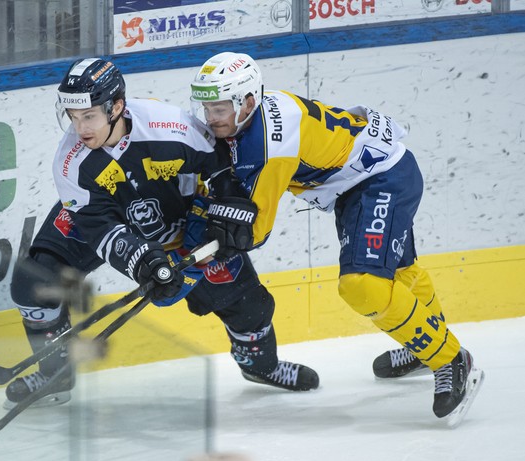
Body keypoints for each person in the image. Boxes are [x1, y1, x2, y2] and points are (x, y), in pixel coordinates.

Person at [5, 57, 320, 409]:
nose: (80, 128)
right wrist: (142, 261)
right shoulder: (71, 162)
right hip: (109, 212)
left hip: (178, 219)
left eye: (89, 116)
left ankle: (260, 366)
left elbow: (218, 167)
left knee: (248, 305)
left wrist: (226, 210)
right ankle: (55, 373)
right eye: (74, 117)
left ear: (117, 107)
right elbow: (99, 226)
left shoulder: (169, 126)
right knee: (32, 281)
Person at [188, 52, 484, 421]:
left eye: (218, 109)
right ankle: (424, 344)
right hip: (360, 181)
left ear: (248, 101)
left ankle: (451, 358)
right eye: (205, 108)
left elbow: (255, 231)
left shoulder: (268, 147)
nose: (209, 119)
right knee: (400, 271)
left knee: (362, 284)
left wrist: (201, 241)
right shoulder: (253, 118)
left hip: (380, 180)